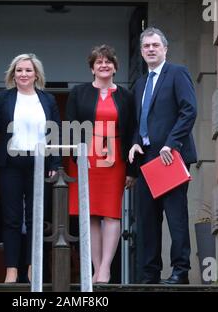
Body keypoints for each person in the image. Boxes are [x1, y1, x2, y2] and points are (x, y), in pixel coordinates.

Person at [128, 27, 197, 284]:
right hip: (147, 159)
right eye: (146, 46)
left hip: (170, 157)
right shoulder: (139, 84)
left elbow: (189, 110)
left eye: (155, 45)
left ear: (165, 49)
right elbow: (140, 121)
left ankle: (180, 271)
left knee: (175, 217)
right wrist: (135, 142)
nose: (151, 49)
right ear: (142, 51)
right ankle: (150, 274)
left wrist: (172, 143)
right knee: (147, 219)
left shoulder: (177, 73)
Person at [0, 53, 61, 283]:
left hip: (39, 164)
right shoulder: (5, 99)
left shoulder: (48, 100)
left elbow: (54, 133)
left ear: (36, 74)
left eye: (28, 70)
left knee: (36, 219)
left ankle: (31, 268)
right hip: (11, 164)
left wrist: (55, 163)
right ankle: (11, 270)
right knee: (11, 217)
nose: (24, 74)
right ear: (13, 75)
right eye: (19, 70)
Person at [67, 45, 136, 284]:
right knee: (90, 214)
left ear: (115, 67)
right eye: (99, 62)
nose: (104, 65)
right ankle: (95, 268)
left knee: (111, 213)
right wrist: (78, 156)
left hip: (115, 158)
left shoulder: (127, 96)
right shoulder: (78, 93)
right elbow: (71, 126)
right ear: (92, 68)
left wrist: (132, 169)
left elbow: (133, 131)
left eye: (108, 62)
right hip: (86, 158)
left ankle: (106, 268)